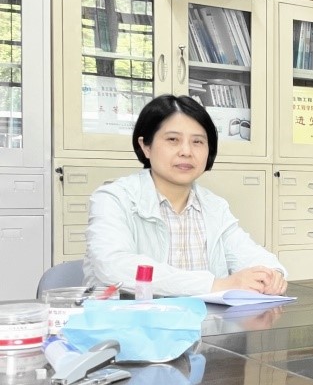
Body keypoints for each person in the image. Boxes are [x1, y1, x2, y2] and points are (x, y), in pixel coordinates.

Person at [85, 95, 287, 298]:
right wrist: (215, 285)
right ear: (146, 146)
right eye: (173, 140)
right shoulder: (114, 199)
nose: (186, 151)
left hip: (206, 318)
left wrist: (272, 276)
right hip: (131, 316)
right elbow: (112, 266)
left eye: (197, 142)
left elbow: (250, 254)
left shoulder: (214, 206)